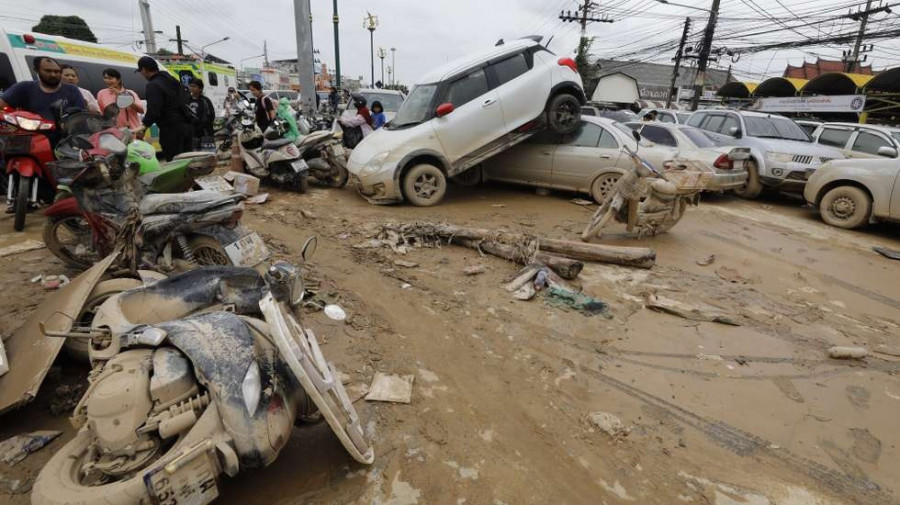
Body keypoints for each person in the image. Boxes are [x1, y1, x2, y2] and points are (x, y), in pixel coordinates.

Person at [0, 56, 85, 141]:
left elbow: (80, 115)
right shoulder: (24, 87)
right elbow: (2, 104)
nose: (53, 74)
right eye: (48, 71)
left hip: (63, 140)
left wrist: (68, 124)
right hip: (29, 139)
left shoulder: (72, 90)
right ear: (37, 70)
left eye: (56, 71)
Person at [135, 56, 193, 161]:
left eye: (141, 71)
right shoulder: (172, 80)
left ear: (144, 69)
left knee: (175, 163)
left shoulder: (153, 85)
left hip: (171, 130)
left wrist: (144, 126)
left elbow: (154, 110)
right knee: (188, 161)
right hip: (187, 126)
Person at [187, 78, 215, 150]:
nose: (192, 88)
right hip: (192, 134)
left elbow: (211, 116)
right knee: (194, 154)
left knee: (207, 153)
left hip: (205, 133)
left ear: (200, 89)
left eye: (194, 86)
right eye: (190, 86)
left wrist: (203, 125)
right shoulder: (186, 100)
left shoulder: (205, 101)